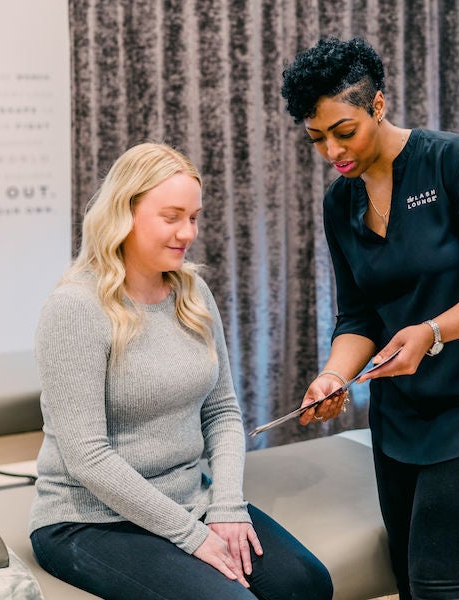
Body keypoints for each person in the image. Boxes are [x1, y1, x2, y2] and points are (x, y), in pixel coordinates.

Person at [29, 142, 333, 600]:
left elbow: (224, 412)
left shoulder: (191, 292)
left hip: (187, 494)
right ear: (124, 213)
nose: (187, 232)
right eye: (171, 217)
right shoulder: (76, 308)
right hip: (88, 518)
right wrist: (191, 536)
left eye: (193, 217)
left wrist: (227, 507)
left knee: (306, 585)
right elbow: (87, 457)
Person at [281, 37, 459, 600]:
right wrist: (333, 376)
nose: (332, 152)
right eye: (317, 138)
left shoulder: (452, 161)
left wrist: (432, 332)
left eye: (345, 131)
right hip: (401, 411)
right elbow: (358, 316)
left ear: (378, 105)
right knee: (408, 576)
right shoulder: (340, 204)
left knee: (438, 582)